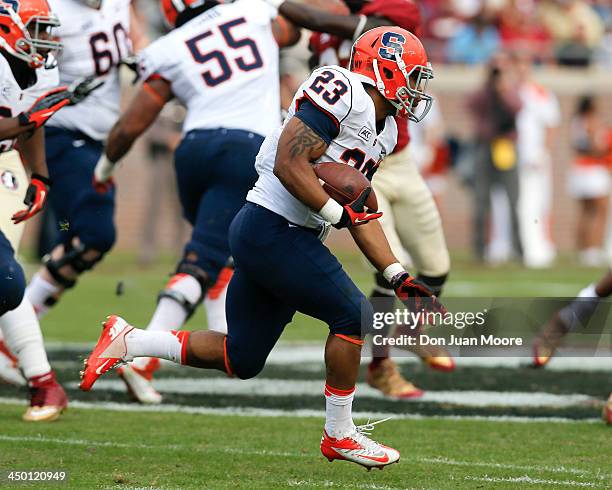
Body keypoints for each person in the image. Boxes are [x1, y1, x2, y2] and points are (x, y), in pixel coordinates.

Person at [81, 25, 445, 469]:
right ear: (384, 68)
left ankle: (130, 340)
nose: (417, 89)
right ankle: (340, 433)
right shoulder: (341, 89)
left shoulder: (385, 132)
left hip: (282, 233)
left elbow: (362, 208)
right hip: (270, 226)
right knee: (353, 316)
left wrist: (398, 276)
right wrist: (337, 214)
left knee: (242, 357)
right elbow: (289, 163)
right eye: (412, 76)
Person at [91, 0, 301, 404]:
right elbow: (296, 28)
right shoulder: (255, 13)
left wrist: (103, 169)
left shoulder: (169, 46)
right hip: (247, 146)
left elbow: (134, 121)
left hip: (195, 148)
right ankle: (139, 358)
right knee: (204, 256)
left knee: (220, 245)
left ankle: (221, 333)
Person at [275, 0, 453, 399]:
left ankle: (411, 334)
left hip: (392, 155)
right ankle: (381, 363)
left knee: (436, 267)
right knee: (389, 266)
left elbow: (323, 20)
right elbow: (298, 29)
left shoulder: (391, 13)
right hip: (346, 157)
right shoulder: (330, 36)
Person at [0, 0, 99, 420]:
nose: (48, 39)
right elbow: (25, 119)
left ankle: (44, 385)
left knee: (6, 280)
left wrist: (40, 175)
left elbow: (30, 123)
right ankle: (43, 384)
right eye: (38, 28)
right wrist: (30, 118)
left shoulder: (41, 68)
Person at [23, 0, 139, 321]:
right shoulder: (52, 11)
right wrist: (59, 93)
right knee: (94, 235)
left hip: (97, 140)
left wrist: (140, 57)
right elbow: (24, 73)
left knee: (73, 236)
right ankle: (14, 331)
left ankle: (17, 331)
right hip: (62, 134)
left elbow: (135, 37)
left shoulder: (118, 4)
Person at [468, 52, 522, 262]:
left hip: (505, 145)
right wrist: (488, 85)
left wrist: (504, 89)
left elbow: (517, 107)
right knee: (481, 200)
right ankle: (479, 250)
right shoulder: (483, 93)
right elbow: (471, 104)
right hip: (485, 145)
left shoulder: (510, 90)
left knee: (513, 199)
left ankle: (519, 250)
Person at [515, 52, 560, 268]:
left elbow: (551, 125)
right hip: (514, 157)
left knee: (538, 203)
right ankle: (521, 247)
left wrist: (543, 151)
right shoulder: (512, 92)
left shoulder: (541, 93)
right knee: (519, 204)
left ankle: (540, 248)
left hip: (535, 158)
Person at [567, 96, 612, 266]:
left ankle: (582, 249)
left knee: (585, 212)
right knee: (600, 211)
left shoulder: (575, 122)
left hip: (578, 170)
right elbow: (596, 147)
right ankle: (592, 250)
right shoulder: (592, 122)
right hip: (593, 170)